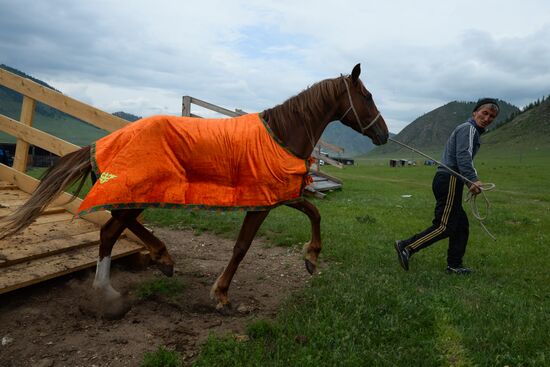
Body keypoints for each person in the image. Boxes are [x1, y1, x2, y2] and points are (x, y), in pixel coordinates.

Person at [394, 98, 500, 274]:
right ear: (475, 113)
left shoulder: (471, 130)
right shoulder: (469, 129)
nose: (487, 118)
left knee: (461, 225)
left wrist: (466, 181)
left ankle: (454, 265)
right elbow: (463, 156)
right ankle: (406, 246)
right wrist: (473, 179)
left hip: (450, 179)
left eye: (492, 116)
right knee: (445, 226)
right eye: (485, 113)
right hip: (450, 179)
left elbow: (461, 158)